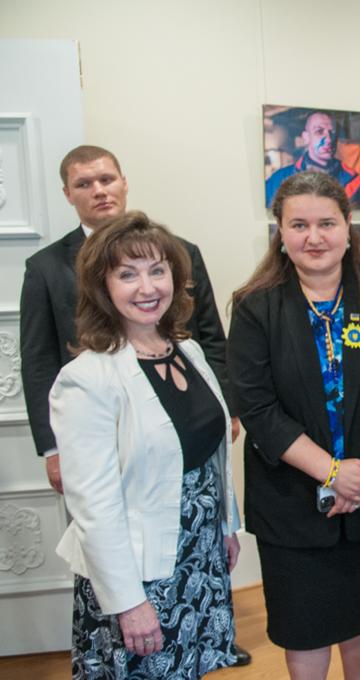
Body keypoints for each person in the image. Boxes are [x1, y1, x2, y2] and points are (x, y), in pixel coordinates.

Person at [18, 145, 252, 666]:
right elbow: (95, 507)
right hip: (137, 571)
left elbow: (210, 460)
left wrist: (223, 527)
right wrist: (127, 601)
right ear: (102, 287)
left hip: (195, 551)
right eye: (127, 276)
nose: (147, 288)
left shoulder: (188, 352)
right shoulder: (86, 379)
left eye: (157, 272)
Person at [229, 171, 360, 680]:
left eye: (327, 223)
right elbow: (258, 407)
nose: (314, 237)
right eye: (299, 224)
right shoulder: (254, 306)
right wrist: (334, 473)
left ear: (349, 225)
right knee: (304, 624)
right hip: (291, 502)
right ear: (280, 232)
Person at [264, 110, 360, 209]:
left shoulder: (354, 182)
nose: (329, 139)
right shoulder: (278, 180)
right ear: (306, 137)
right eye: (319, 131)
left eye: (332, 132)